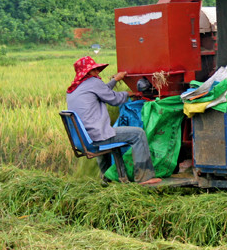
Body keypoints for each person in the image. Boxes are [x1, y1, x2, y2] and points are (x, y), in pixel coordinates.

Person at [65, 55, 161, 185]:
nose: (97, 73)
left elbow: (102, 90)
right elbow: (114, 100)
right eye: (94, 70)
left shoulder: (75, 88)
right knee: (138, 134)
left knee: (103, 135)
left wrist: (115, 80)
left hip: (83, 139)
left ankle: (106, 178)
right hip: (96, 136)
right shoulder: (93, 83)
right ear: (87, 72)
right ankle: (145, 177)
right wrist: (128, 94)